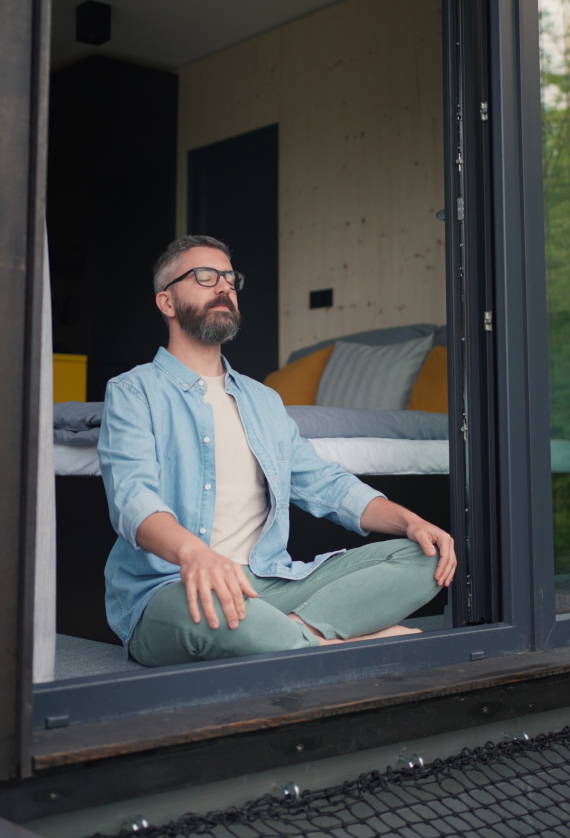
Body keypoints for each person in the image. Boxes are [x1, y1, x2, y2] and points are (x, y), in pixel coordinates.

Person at [99, 235, 456, 666]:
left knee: (426, 554)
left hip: (268, 583)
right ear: (167, 302)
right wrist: (195, 554)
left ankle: (294, 638)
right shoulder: (133, 392)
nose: (224, 287)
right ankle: (331, 642)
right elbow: (133, 501)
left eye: (230, 278)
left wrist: (410, 520)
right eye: (205, 277)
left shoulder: (262, 400)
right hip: (170, 587)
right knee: (213, 614)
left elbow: (325, 484)